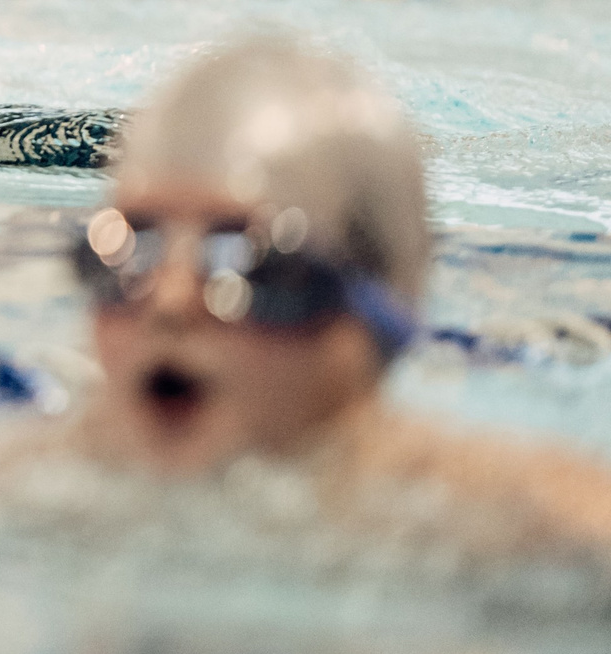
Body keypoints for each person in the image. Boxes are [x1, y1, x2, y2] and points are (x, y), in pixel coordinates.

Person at [57, 37, 611, 545]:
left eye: (247, 261)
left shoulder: (526, 530)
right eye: (128, 252)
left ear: (377, 310)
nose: (170, 304)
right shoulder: (27, 497)